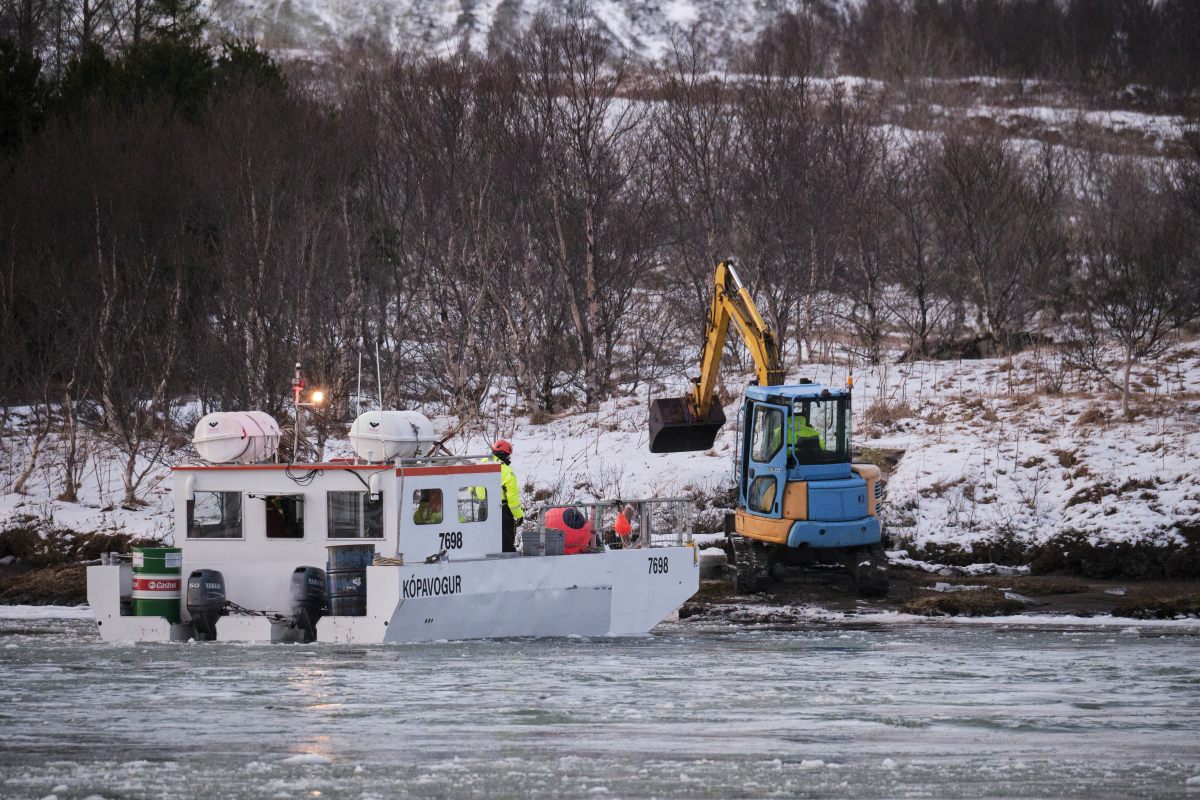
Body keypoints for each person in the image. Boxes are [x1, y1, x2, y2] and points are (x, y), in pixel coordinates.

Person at [488, 439, 524, 552]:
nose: (509, 459)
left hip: (482, 510)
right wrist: (519, 515)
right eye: (508, 456)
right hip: (502, 512)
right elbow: (512, 498)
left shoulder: (482, 463)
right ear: (503, 455)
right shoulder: (506, 471)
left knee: (488, 542)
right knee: (506, 544)